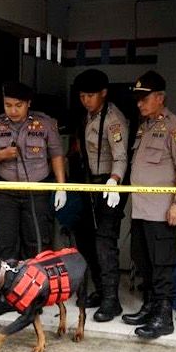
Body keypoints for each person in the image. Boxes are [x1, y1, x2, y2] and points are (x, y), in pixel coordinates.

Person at [0, 81, 67, 316]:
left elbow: (57, 154)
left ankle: (36, 296)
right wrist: (1, 154)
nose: (13, 110)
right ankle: (6, 297)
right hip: (7, 191)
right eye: (8, 105)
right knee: (5, 245)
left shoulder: (45, 124)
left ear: (29, 104)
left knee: (36, 244)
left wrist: (61, 187)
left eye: (18, 105)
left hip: (36, 191)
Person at [123, 70, 176, 339]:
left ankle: (164, 317)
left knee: (162, 264)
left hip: (162, 210)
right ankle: (149, 307)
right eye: (137, 99)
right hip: (141, 210)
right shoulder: (145, 126)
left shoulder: (175, 128)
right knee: (144, 261)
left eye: (144, 98)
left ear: (160, 98)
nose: (139, 104)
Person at [71, 69, 129, 322]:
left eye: (90, 95)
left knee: (105, 242)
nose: (85, 100)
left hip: (108, 187)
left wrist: (114, 182)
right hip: (88, 185)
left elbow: (121, 156)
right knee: (85, 241)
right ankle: (100, 290)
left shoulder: (114, 119)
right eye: (82, 95)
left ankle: (111, 300)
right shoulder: (87, 116)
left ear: (104, 93)